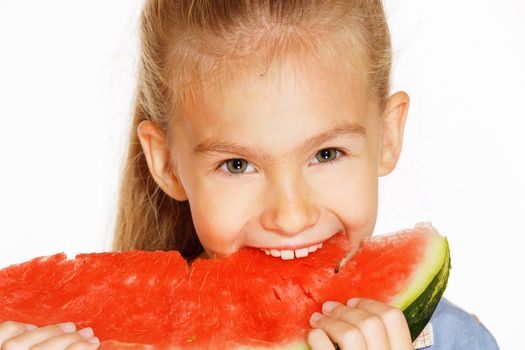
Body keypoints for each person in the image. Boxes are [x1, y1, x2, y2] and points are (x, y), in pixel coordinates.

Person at [0, 0, 500, 349]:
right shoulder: (98, 338)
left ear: (388, 136)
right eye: (237, 165)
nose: (290, 215)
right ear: (167, 162)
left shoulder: (457, 342)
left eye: (326, 154)